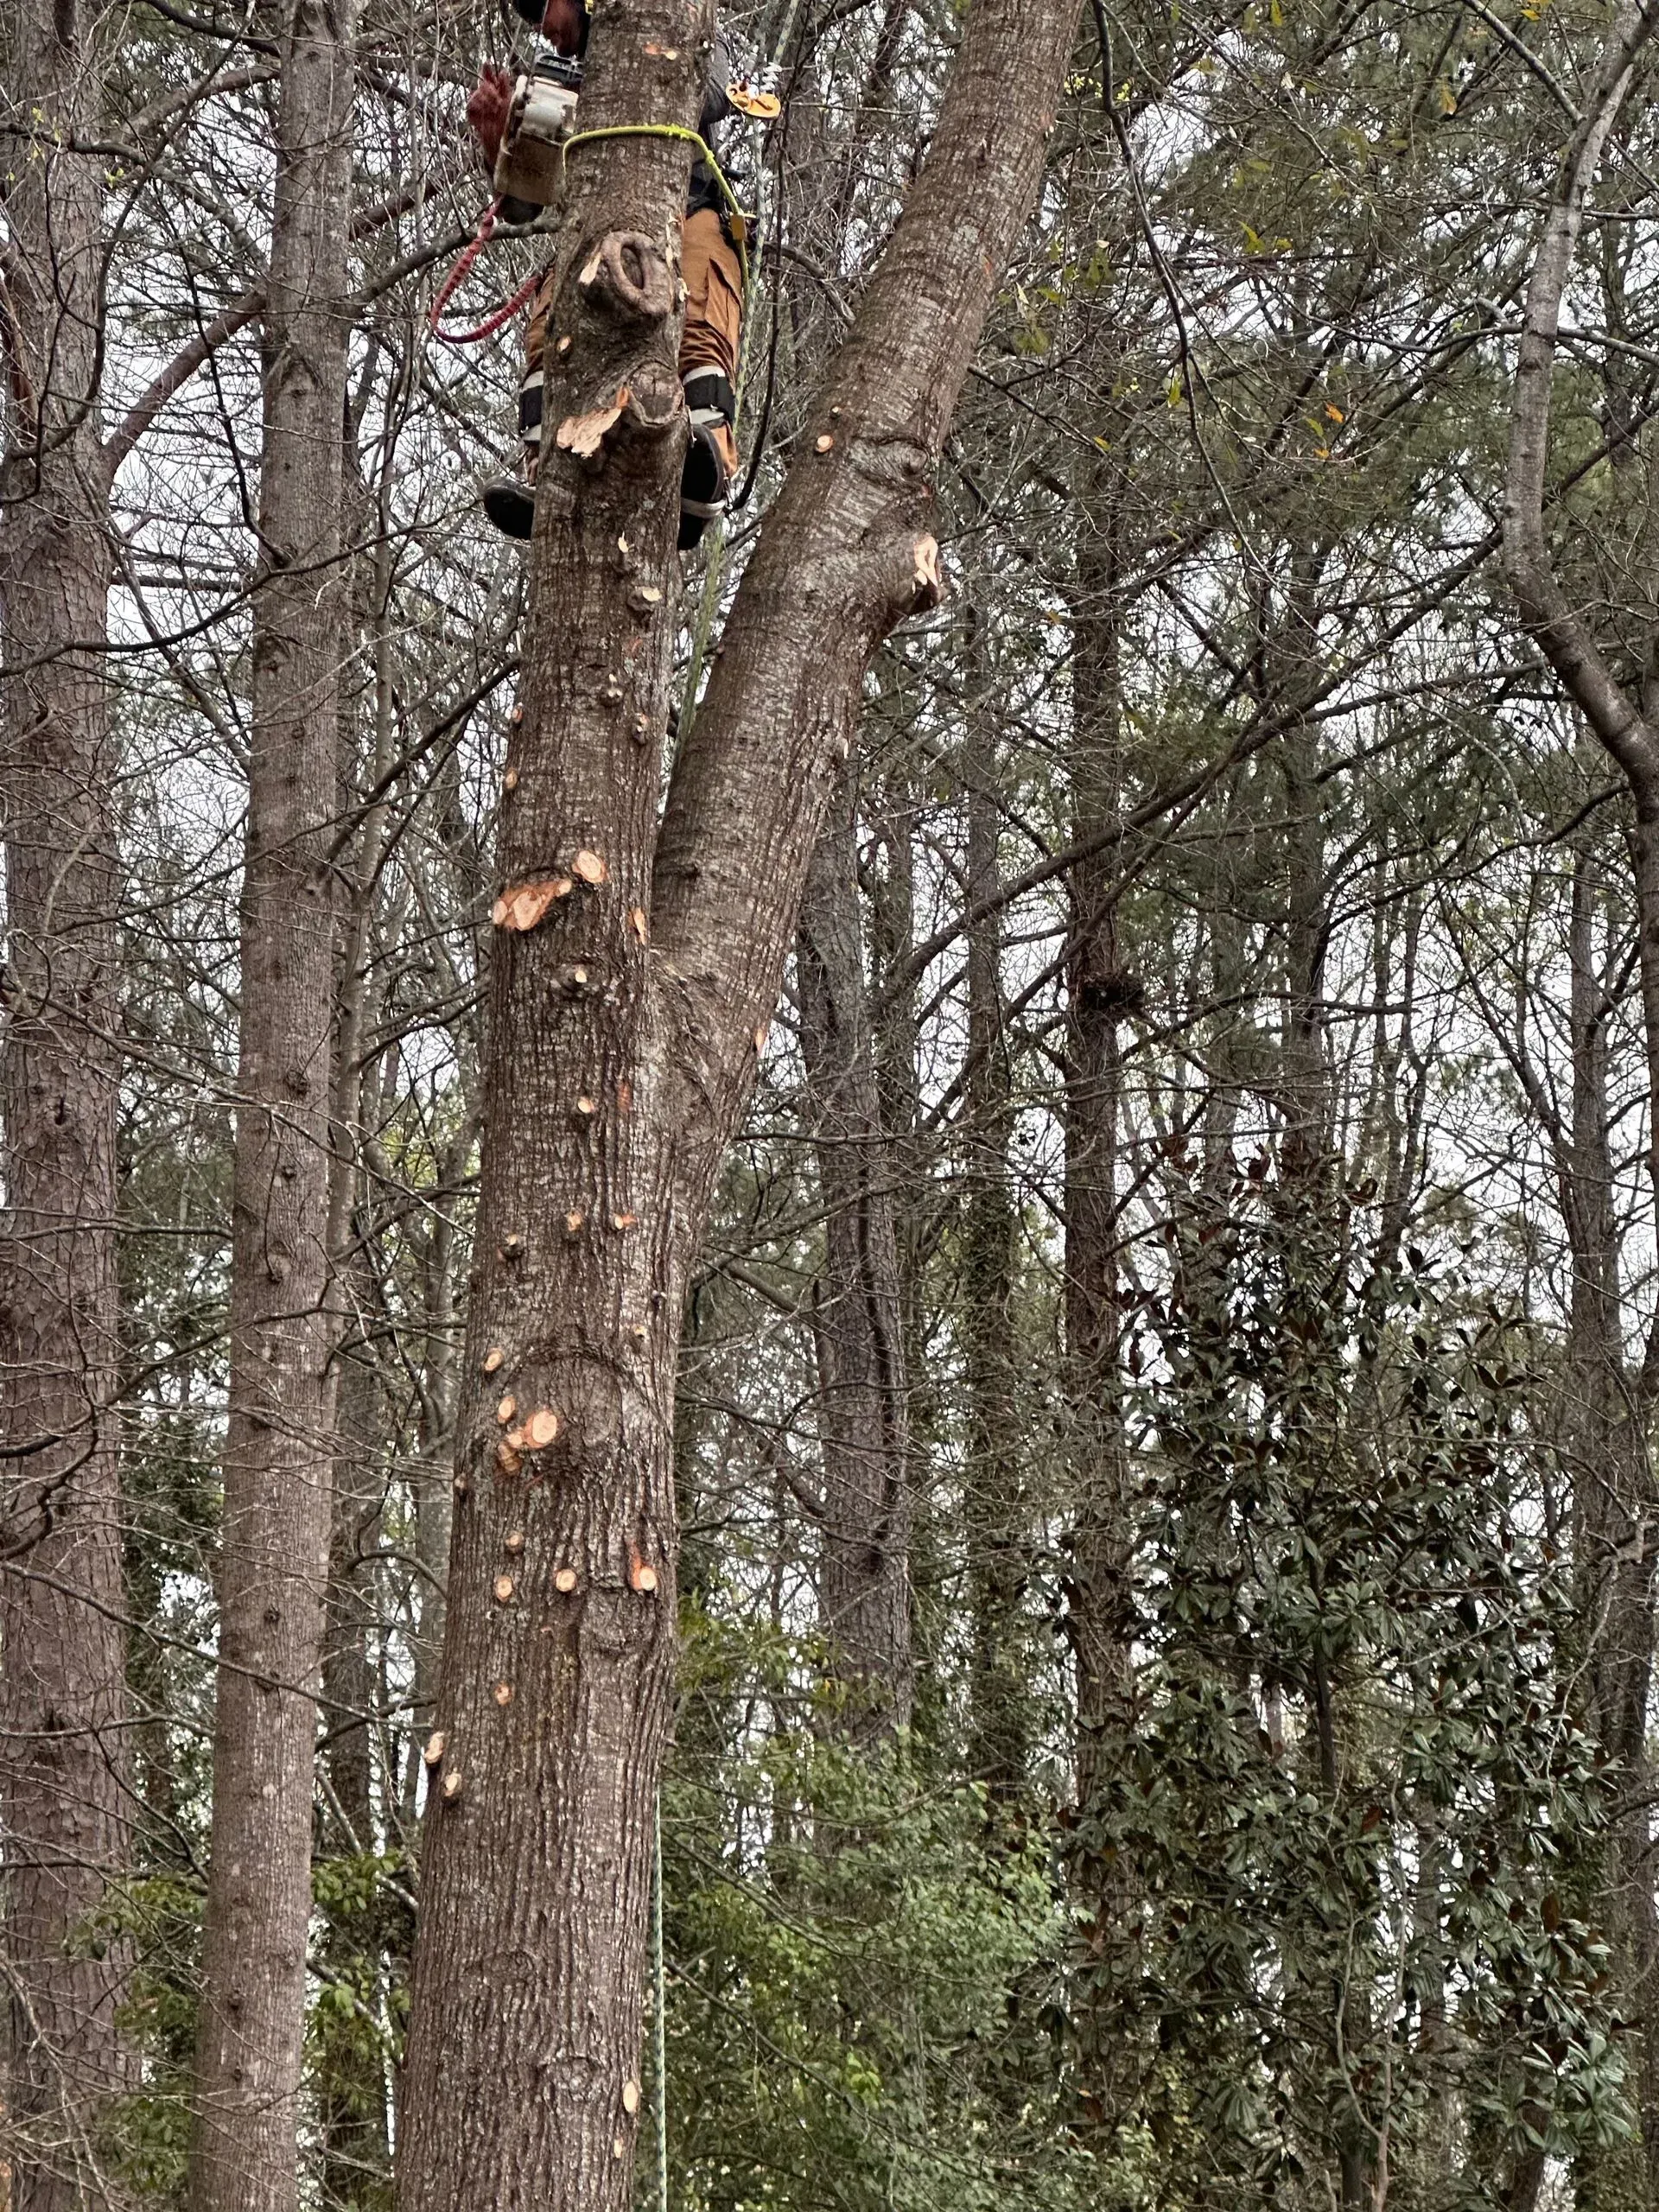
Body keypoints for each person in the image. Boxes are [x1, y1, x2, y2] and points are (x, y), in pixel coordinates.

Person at [467, 0, 745, 549]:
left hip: (689, 210)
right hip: (589, 231)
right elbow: (522, 206)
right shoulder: (553, 77)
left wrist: (616, 81)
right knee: (550, 331)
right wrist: (499, 140)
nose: (542, 29)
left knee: (698, 311)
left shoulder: (677, 20)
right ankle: (545, 462)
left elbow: (711, 89)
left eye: (543, 8)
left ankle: (705, 457)